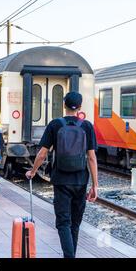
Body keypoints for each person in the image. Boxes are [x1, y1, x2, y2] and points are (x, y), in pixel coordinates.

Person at [25, 91, 98, 258]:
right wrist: (95, 185)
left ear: (64, 105)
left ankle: (69, 256)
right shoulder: (87, 126)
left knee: (63, 223)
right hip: (81, 181)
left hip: (61, 181)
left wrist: (33, 171)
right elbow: (92, 158)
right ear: (80, 107)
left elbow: (42, 153)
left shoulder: (55, 124)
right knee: (75, 223)